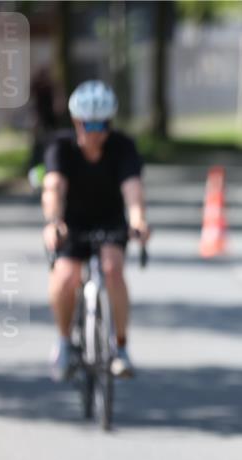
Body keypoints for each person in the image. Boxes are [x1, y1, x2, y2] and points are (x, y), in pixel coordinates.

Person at [40, 80, 150, 381]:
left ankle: (121, 347)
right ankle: (64, 341)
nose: (95, 132)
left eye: (102, 124)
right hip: (71, 223)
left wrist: (138, 220)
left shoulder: (122, 147)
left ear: (110, 123)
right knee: (65, 277)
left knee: (112, 269)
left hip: (110, 221)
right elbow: (54, 187)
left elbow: (133, 189)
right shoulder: (60, 146)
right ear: (77, 122)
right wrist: (53, 222)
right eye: (88, 124)